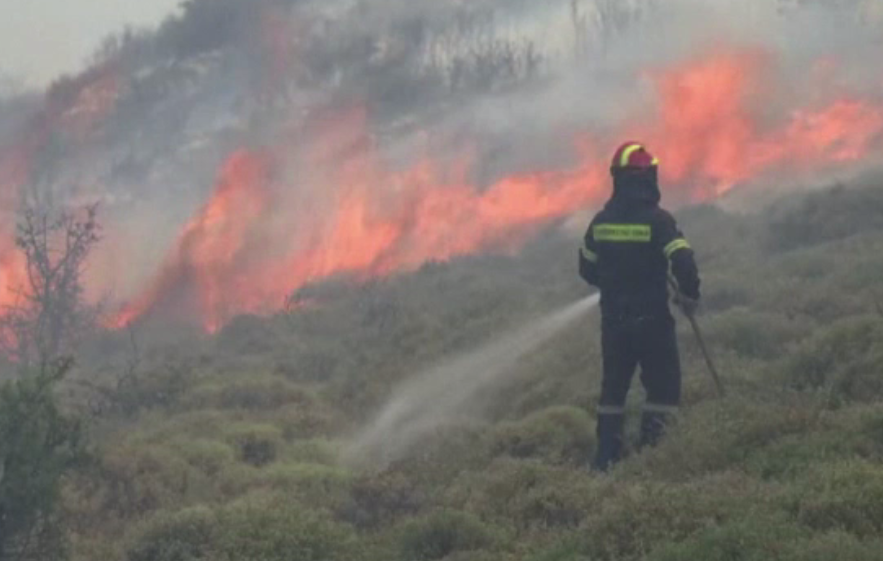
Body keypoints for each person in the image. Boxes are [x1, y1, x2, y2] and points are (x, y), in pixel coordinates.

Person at [578, 141, 701, 472]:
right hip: (652, 322)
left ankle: (606, 459)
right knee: (662, 387)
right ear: (648, 178)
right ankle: (654, 452)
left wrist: (614, 281)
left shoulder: (600, 222)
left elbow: (587, 269)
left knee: (613, 391)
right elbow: (684, 260)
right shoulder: (658, 221)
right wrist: (688, 294)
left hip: (614, 323)